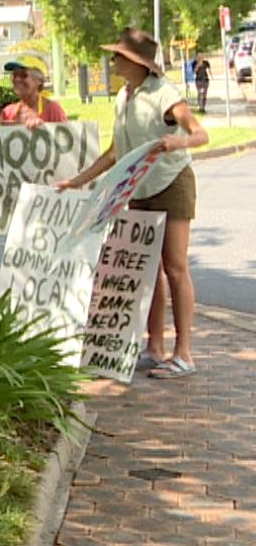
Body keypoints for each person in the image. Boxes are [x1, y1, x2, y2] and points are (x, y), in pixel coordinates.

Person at [58, 28, 210, 379]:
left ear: (139, 62)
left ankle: (183, 352)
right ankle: (154, 347)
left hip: (171, 183)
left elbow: (201, 134)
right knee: (148, 268)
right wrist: (77, 181)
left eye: (119, 57)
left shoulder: (165, 94)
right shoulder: (124, 96)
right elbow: (115, 152)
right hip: (137, 188)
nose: (114, 62)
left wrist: (176, 142)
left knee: (175, 266)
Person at [0, 56, 67, 127]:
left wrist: (44, 128)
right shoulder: (7, 113)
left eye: (23, 75)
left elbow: (65, 136)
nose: (17, 79)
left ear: (39, 81)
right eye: (14, 75)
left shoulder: (53, 110)